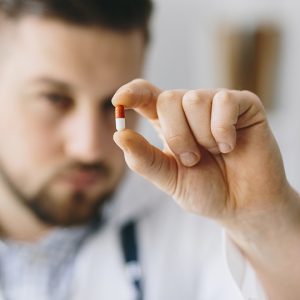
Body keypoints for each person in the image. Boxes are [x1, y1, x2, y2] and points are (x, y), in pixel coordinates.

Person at [0, 0, 299, 299]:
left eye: (113, 106)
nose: (89, 148)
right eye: (54, 99)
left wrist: (263, 223)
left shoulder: (196, 220)